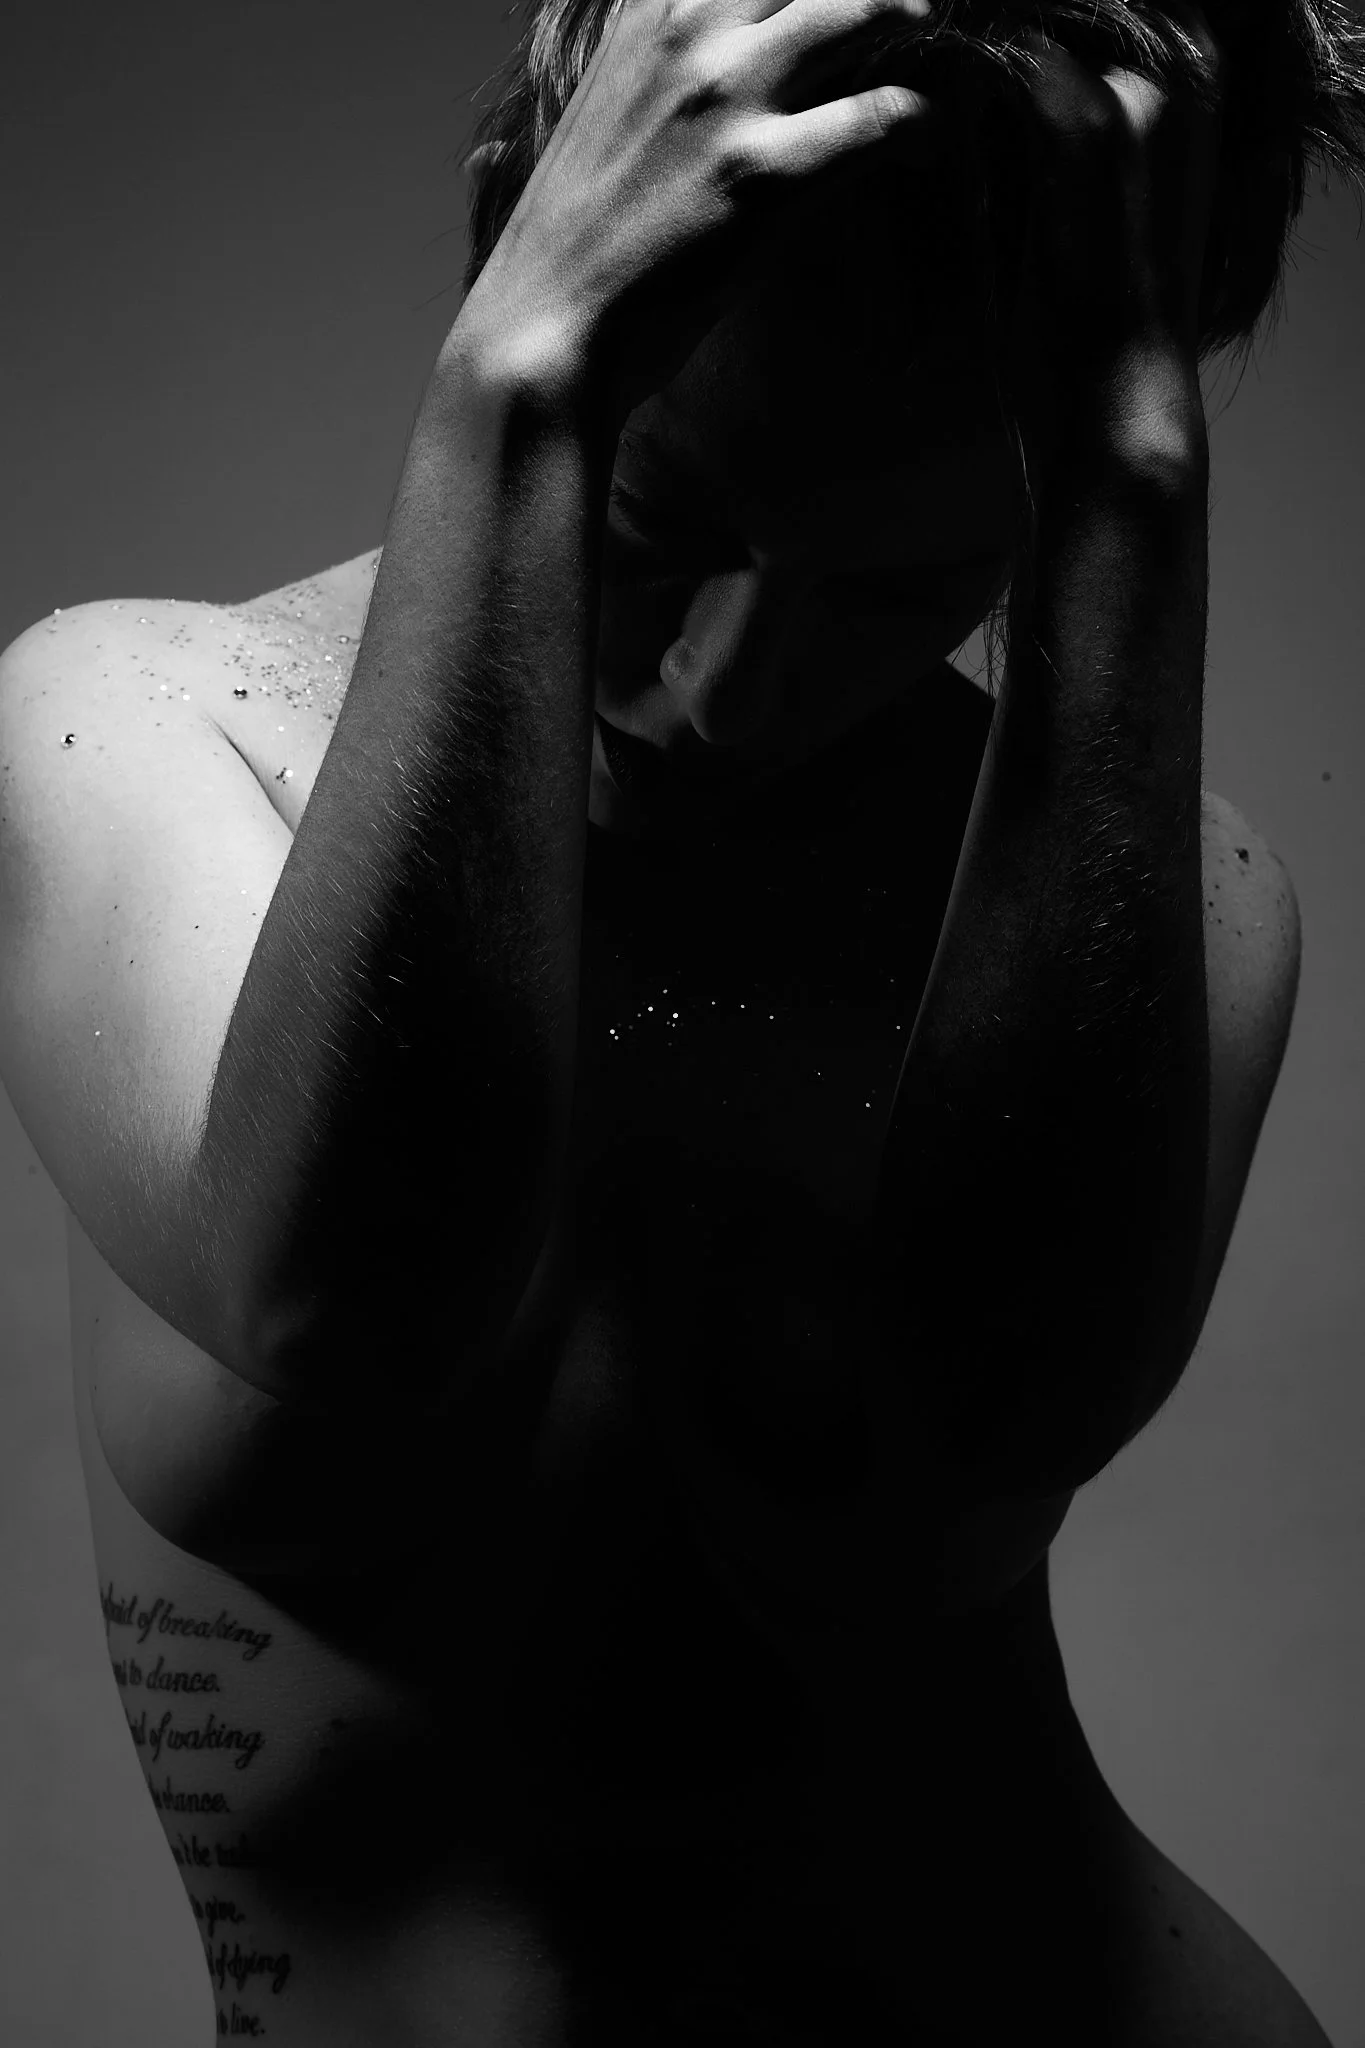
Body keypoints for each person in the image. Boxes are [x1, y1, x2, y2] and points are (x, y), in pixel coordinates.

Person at [1, 0, 1360, 2039]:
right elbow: (354, 1293)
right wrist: (516, 388)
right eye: (672, 525)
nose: (734, 682)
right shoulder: (138, 730)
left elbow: (1002, 1402)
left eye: (906, 584)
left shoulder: (1175, 892)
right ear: (531, 265)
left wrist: (1134, 497)